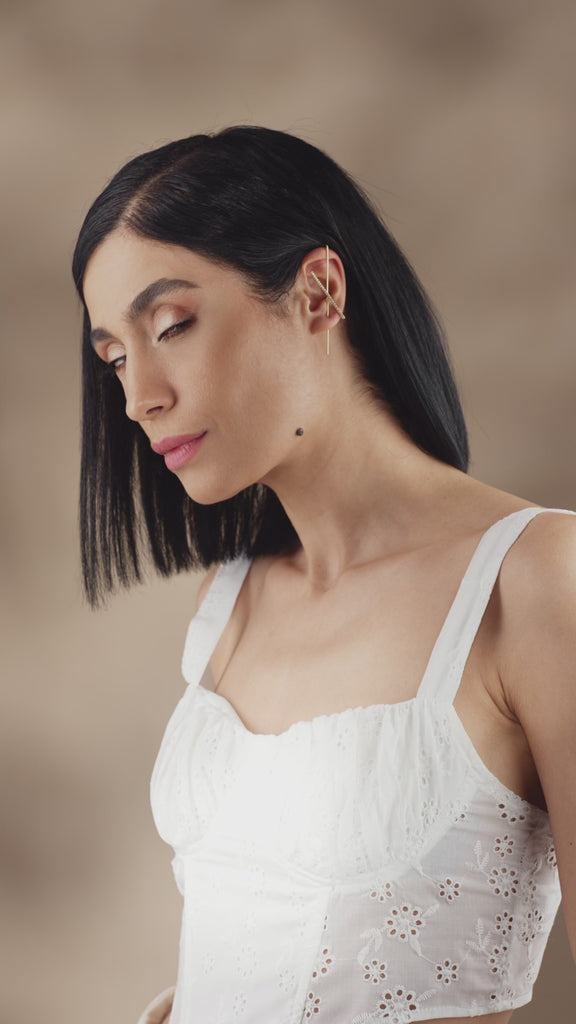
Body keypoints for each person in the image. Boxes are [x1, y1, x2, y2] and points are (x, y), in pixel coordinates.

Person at [72, 126, 576, 1024]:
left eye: (172, 325)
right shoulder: (227, 603)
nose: (138, 394)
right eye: (114, 355)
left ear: (317, 290)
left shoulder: (535, 578)